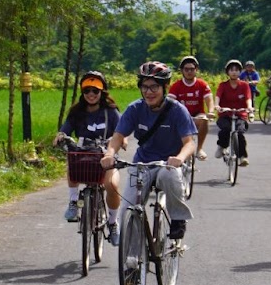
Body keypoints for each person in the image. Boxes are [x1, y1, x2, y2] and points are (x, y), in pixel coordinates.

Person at [100, 61, 196, 245]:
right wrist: (110, 153)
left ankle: (177, 219)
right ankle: (133, 258)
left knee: (170, 175)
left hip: (167, 165)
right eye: (144, 87)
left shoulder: (177, 110)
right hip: (142, 164)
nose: (148, 92)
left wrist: (180, 158)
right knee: (128, 210)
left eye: (154, 87)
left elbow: (189, 143)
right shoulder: (135, 108)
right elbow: (118, 136)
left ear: (165, 87)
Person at [57, 70, 123, 242]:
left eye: (95, 90)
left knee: (112, 186)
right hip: (84, 153)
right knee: (72, 162)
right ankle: (73, 202)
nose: (91, 94)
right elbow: (66, 128)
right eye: (87, 91)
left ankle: (112, 222)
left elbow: (122, 131)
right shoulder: (77, 111)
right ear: (82, 92)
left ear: (102, 92)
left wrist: (122, 141)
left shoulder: (111, 111)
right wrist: (60, 136)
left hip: (105, 154)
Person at [168, 56, 213, 160]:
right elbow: (169, 103)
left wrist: (210, 111)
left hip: (197, 115)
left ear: (196, 70)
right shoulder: (176, 86)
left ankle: (199, 149)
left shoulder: (202, 84)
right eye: (186, 69)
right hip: (181, 116)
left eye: (192, 69)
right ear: (182, 71)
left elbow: (209, 100)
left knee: (204, 120)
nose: (189, 72)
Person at [212, 59, 254, 164]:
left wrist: (249, 107)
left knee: (240, 133)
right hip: (225, 114)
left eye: (236, 70)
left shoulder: (244, 85)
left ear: (240, 72)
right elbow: (217, 96)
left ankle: (242, 157)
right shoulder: (223, 85)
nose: (234, 72)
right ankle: (222, 146)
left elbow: (248, 98)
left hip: (240, 115)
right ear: (227, 72)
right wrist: (216, 105)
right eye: (231, 70)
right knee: (225, 129)